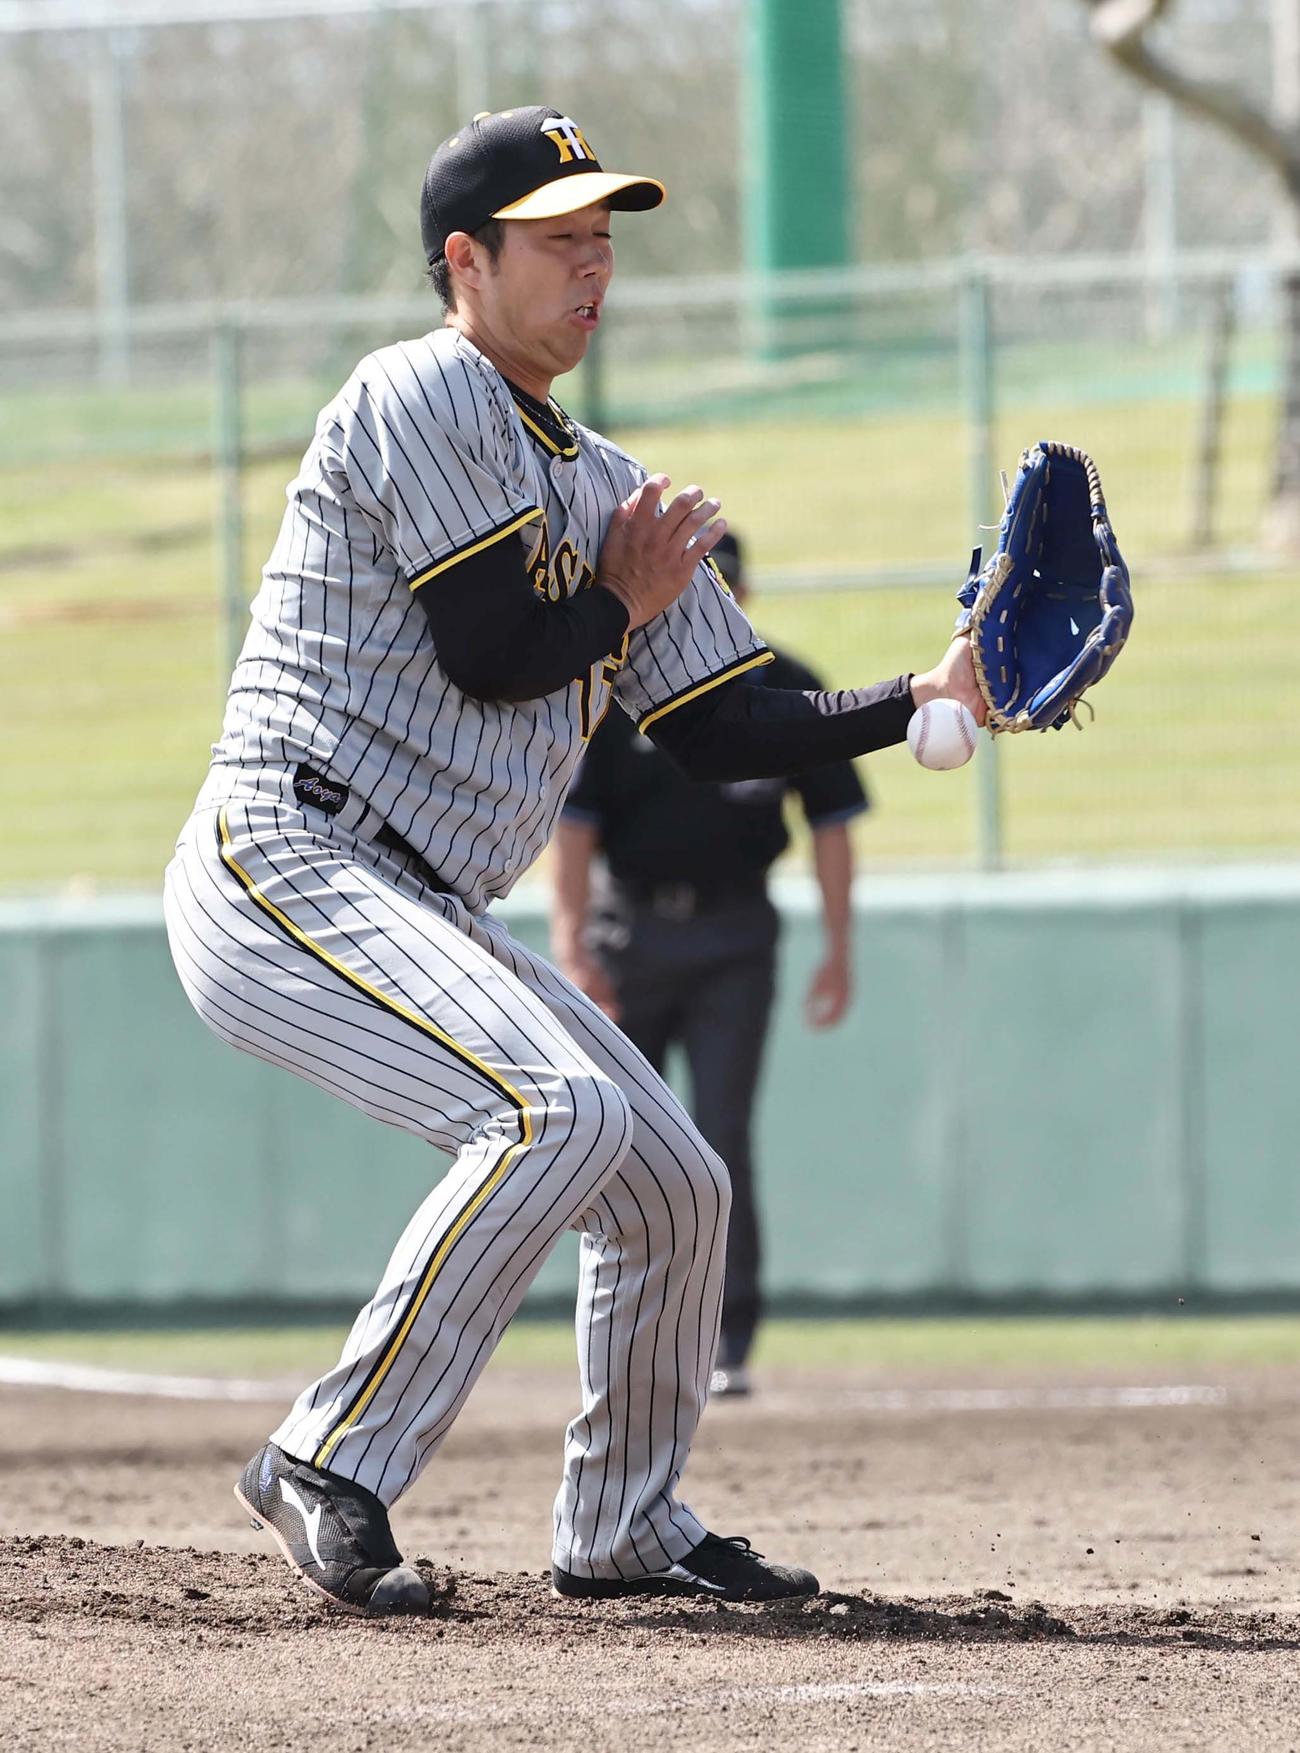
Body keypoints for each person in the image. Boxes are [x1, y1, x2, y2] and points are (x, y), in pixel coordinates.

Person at [162, 105, 985, 1616]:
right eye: (561, 241)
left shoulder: (609, 482)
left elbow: (735, 727)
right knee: (556, 1107)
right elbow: (493, 652)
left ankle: (621, 1523)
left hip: (410, 894)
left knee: (674, 1175)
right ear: (465, 264)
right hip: (284, 854)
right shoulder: (414, 389)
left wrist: (924, 699)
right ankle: (327, 1456)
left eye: (605, 238)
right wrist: (622, 599)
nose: (595, 266)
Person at [550, 530, 867, 1399]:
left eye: (722, 586)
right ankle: (618, 1348)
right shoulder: (618, 693)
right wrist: (572, 942)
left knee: (719, 1142)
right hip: (630, 938)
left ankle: (726, 1340)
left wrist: (839, 947)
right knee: (611, 1146)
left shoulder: (787, 686)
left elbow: (832, 820)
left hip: (736, 937)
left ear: (742, 595)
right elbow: (573, 826)